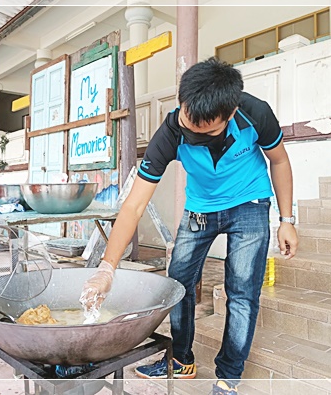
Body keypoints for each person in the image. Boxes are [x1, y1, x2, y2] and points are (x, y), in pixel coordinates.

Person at [80, 57, 298, 394]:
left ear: (229, 114)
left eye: (205, 133)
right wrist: (107, 268)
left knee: (242, 292)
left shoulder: (255, 113)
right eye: (188, 125)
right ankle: (181, 360)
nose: (193, 136)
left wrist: (287, 220)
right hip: (200, 209)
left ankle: (228, 377)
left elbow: (279, 160)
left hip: (250, 203)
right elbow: (134, 205)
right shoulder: (170, 132)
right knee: (178, 283)